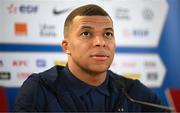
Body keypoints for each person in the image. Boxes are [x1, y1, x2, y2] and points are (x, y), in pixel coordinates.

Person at [14, 4, 167, 112]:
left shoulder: (133, 91)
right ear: (66, 46)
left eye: (108, 34)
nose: (100, 42)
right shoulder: (39, 89)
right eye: (86, 33)